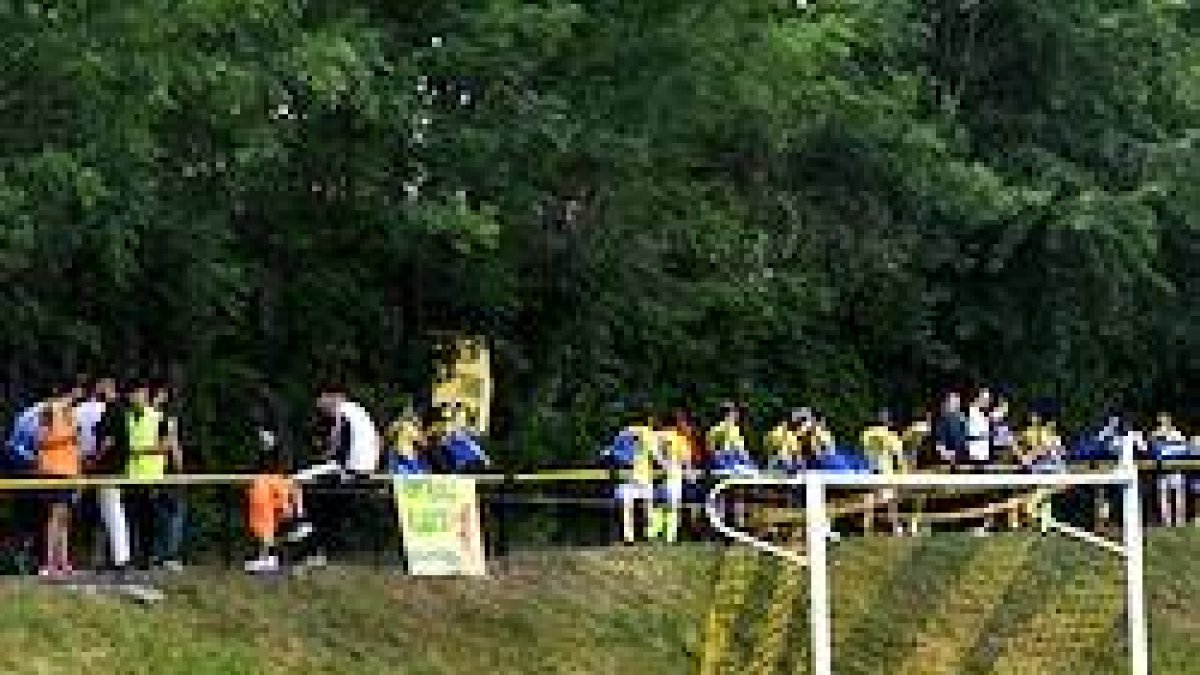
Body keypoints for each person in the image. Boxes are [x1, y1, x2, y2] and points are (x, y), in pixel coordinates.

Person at [292, 385, 382, 566]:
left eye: (322, 400)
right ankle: (315, 544)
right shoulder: (360, 411)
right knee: (325, 505)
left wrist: (331, 460)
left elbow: (339, 448)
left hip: (350, 469)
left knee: (295, 480)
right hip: (366, 469)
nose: (320, 406)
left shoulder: (343, 412)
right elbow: (378, 439)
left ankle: (301, 522)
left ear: (333, 397)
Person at [36, 382, 82, 576]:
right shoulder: (48, 409)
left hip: (70, 472)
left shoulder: (72, 413)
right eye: (75, 393)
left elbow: (76, 447)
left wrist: (79, 475)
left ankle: (63, 562)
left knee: (64, 517)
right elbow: (41, 440)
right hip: (53, 471)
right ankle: (48, 563)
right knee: (55, 516)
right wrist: (67, 438)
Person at [92, 378, 132, 572]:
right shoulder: (118, 409)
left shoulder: (112, 410)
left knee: (112, 511)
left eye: (100, 387)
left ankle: (120, 559)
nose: (97, 390)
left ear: (108, 388)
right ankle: (116, 556)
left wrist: (95, 459)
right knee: (109, 512)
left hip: (110, 468)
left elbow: (108, 440)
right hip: (112, 468)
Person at [125, 380, 165, 568]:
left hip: (151, 475)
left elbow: (164, 446)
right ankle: (132, 555)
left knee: (149, 519)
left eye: (140, 393)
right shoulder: (127, 417)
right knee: (132, 517)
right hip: (131, 475)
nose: (137, 398)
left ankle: (148, 557)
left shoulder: (158, 417)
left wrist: (139, 451)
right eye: (134, 394)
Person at [244, 447, 300, 574]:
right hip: (266, 500)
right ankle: (267, 558)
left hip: (267, 501)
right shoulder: (276, 480)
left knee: (267, 530)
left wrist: (286, 506)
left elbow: (285, 497)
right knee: (266, 530)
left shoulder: (276, 480)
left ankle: (268, 558)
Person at [150, 384, 186, 571]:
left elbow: (173, 443)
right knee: (170, 514)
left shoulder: (159, 416)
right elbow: (171, 444)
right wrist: (179, 468)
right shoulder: (163, 417)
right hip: (163, 471)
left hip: (160, 471)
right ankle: (167, 555)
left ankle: (160, 555)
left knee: (164, 514)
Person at [612, 411, 657, 544]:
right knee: (648, 507)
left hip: (627, 475)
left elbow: (612, 453)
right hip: (644, 475)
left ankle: (628, 537)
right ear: (647, 420)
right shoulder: (649, 434)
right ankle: (648, 534)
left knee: (627, 508)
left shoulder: (622, 433)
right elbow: (655, 455)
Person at [861, 409, 905, 536]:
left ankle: (867, 529)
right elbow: (900, 458)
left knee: (870, 500)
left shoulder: (867, 434)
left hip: (870, 471)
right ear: (888, 423)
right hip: (886, 472)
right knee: (892, 502)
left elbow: (865, 451)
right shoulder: (892, 437)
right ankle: (896, 528)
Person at [649, 417, 687, 544]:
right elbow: (685, 458)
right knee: (673, 506)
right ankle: (670, 536)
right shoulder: (679, 438)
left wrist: (661, 463)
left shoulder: (654, 436)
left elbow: (651, 454)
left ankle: (653, 533)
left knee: (657, 505)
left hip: (656, 475)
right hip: (674, 473)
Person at [1151, 412, 1187, 527]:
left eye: (1165, 420)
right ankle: (1166, 522)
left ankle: (1179, 522)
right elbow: (1152, 448)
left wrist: (1169, 446)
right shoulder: (1155, 434)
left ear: (1169, 420)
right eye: (1161, 421)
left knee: (1179, 496)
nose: (1163, 423)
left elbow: (1184, 448)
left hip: (1176, 468)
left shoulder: (1177, 433)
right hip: (1162, 470)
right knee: (1163, 496)